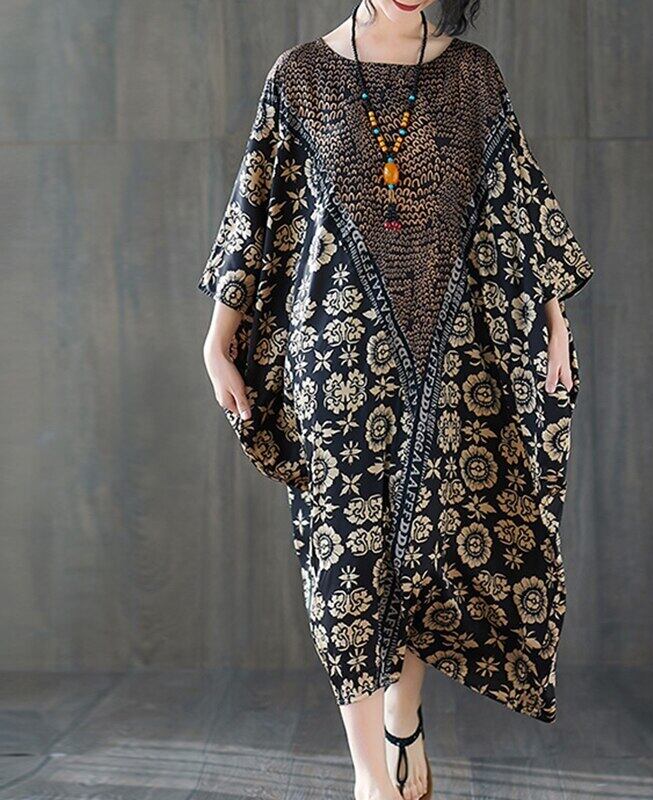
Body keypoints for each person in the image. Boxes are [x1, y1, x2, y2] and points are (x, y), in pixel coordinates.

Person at [198, 2, 594, 798]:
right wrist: (218, 339)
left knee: (421, 551)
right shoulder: (301, 77)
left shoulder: (472, 76)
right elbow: (258, 213)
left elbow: (515, 205)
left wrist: (555, 321)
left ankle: (402, 717)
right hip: (332, 360)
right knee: (345, 566)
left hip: (447, 358)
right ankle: (371, 777)